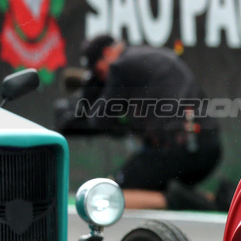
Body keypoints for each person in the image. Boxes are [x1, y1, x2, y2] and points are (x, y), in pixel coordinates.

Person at [56, 35, 226, 211]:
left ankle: (206, 205)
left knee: (112, 194)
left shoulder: (119, 66)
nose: (101, 78)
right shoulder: (147, 59)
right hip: (208, 148)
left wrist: (89, 96)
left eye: (98, 72)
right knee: (150, 183)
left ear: (108, 52)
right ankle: (209, 200)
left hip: (180, 148)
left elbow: (100, 119)